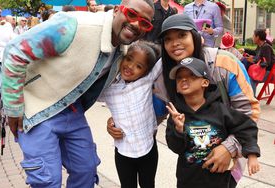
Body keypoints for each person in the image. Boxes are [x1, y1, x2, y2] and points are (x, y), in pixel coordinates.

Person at [1, 0, 154, 187]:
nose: (137, 24)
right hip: (37, 108)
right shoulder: (73, 25)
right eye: (131, 14)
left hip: (72, 111)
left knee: (86, 171)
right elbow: (15, 52)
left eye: (145, 23)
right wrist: (13, 107)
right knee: (47, 180)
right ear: (116, 10)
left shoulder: (124, 49)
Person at [107, 13, 260, 185]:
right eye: (168, 39)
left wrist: (228, 148)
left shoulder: (223, 63)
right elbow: (150, 113)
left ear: (195, 36)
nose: (175, 43)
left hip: (226, 165)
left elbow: (249, 113)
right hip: (189, 170)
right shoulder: (164, 78)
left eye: (182, 35)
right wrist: (118, 121)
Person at [166, 57, 260, 188]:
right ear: (176, 87)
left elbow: (246, 126)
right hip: (187, 180)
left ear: (205, 82)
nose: (184, 79)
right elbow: (176, 148)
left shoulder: (220, 110)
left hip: (218, 180)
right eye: (179, 77)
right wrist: (179, 130)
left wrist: (251, 154)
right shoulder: (176, 114)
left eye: (192, 75)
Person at [98, 40, 161, 188]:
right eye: (129, 59)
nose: (130, 66)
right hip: (123, 152)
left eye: (139, 66)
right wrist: (110, 123)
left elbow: (167, 59)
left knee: (148, 184)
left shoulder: (147, 81)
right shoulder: (109, 88)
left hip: (148, 149)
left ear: (146, 71)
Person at [242, 29, 275, 94]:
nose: (252, 37)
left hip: (269, 72)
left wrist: (253, 61)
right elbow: (256, 54)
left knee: (251, 78)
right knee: (246, 74)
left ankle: (252, 99)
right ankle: (250, 97)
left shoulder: (266, 47)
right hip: (263, 70)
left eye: (254, 36)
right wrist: (246, 52)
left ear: (258, 37)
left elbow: (267, 63)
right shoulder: (260, 46)